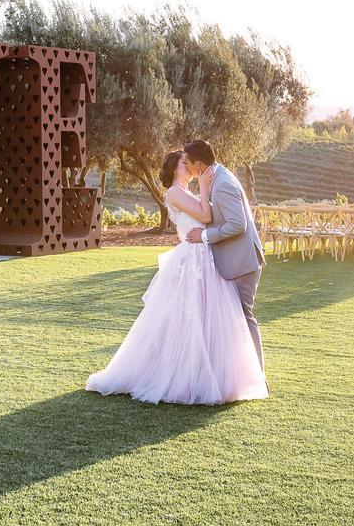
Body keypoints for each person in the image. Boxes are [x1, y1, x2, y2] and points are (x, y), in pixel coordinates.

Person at [85, 148, 268, 405]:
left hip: (205, 259)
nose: (189, 167)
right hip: (193, 259)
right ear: (174, 169)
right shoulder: (174, 192)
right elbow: (206, 216)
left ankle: (215, 374)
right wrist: (204, 188)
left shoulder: (188, 191)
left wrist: (203, 192)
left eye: (189, 162)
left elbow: (213, 217)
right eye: (184, 163)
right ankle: (180, 376)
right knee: (186, 318)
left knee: (207, 319)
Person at [181, 139, 266, 370]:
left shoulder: (223, 184)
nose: (186, 167)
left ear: (198, 165)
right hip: (237, 259)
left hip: (242, 261)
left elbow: (238, 225)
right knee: (236, 320)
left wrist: (204, 235)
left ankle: (258, 376)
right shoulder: (217, 178)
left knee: (244, 318)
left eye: (187, 163)